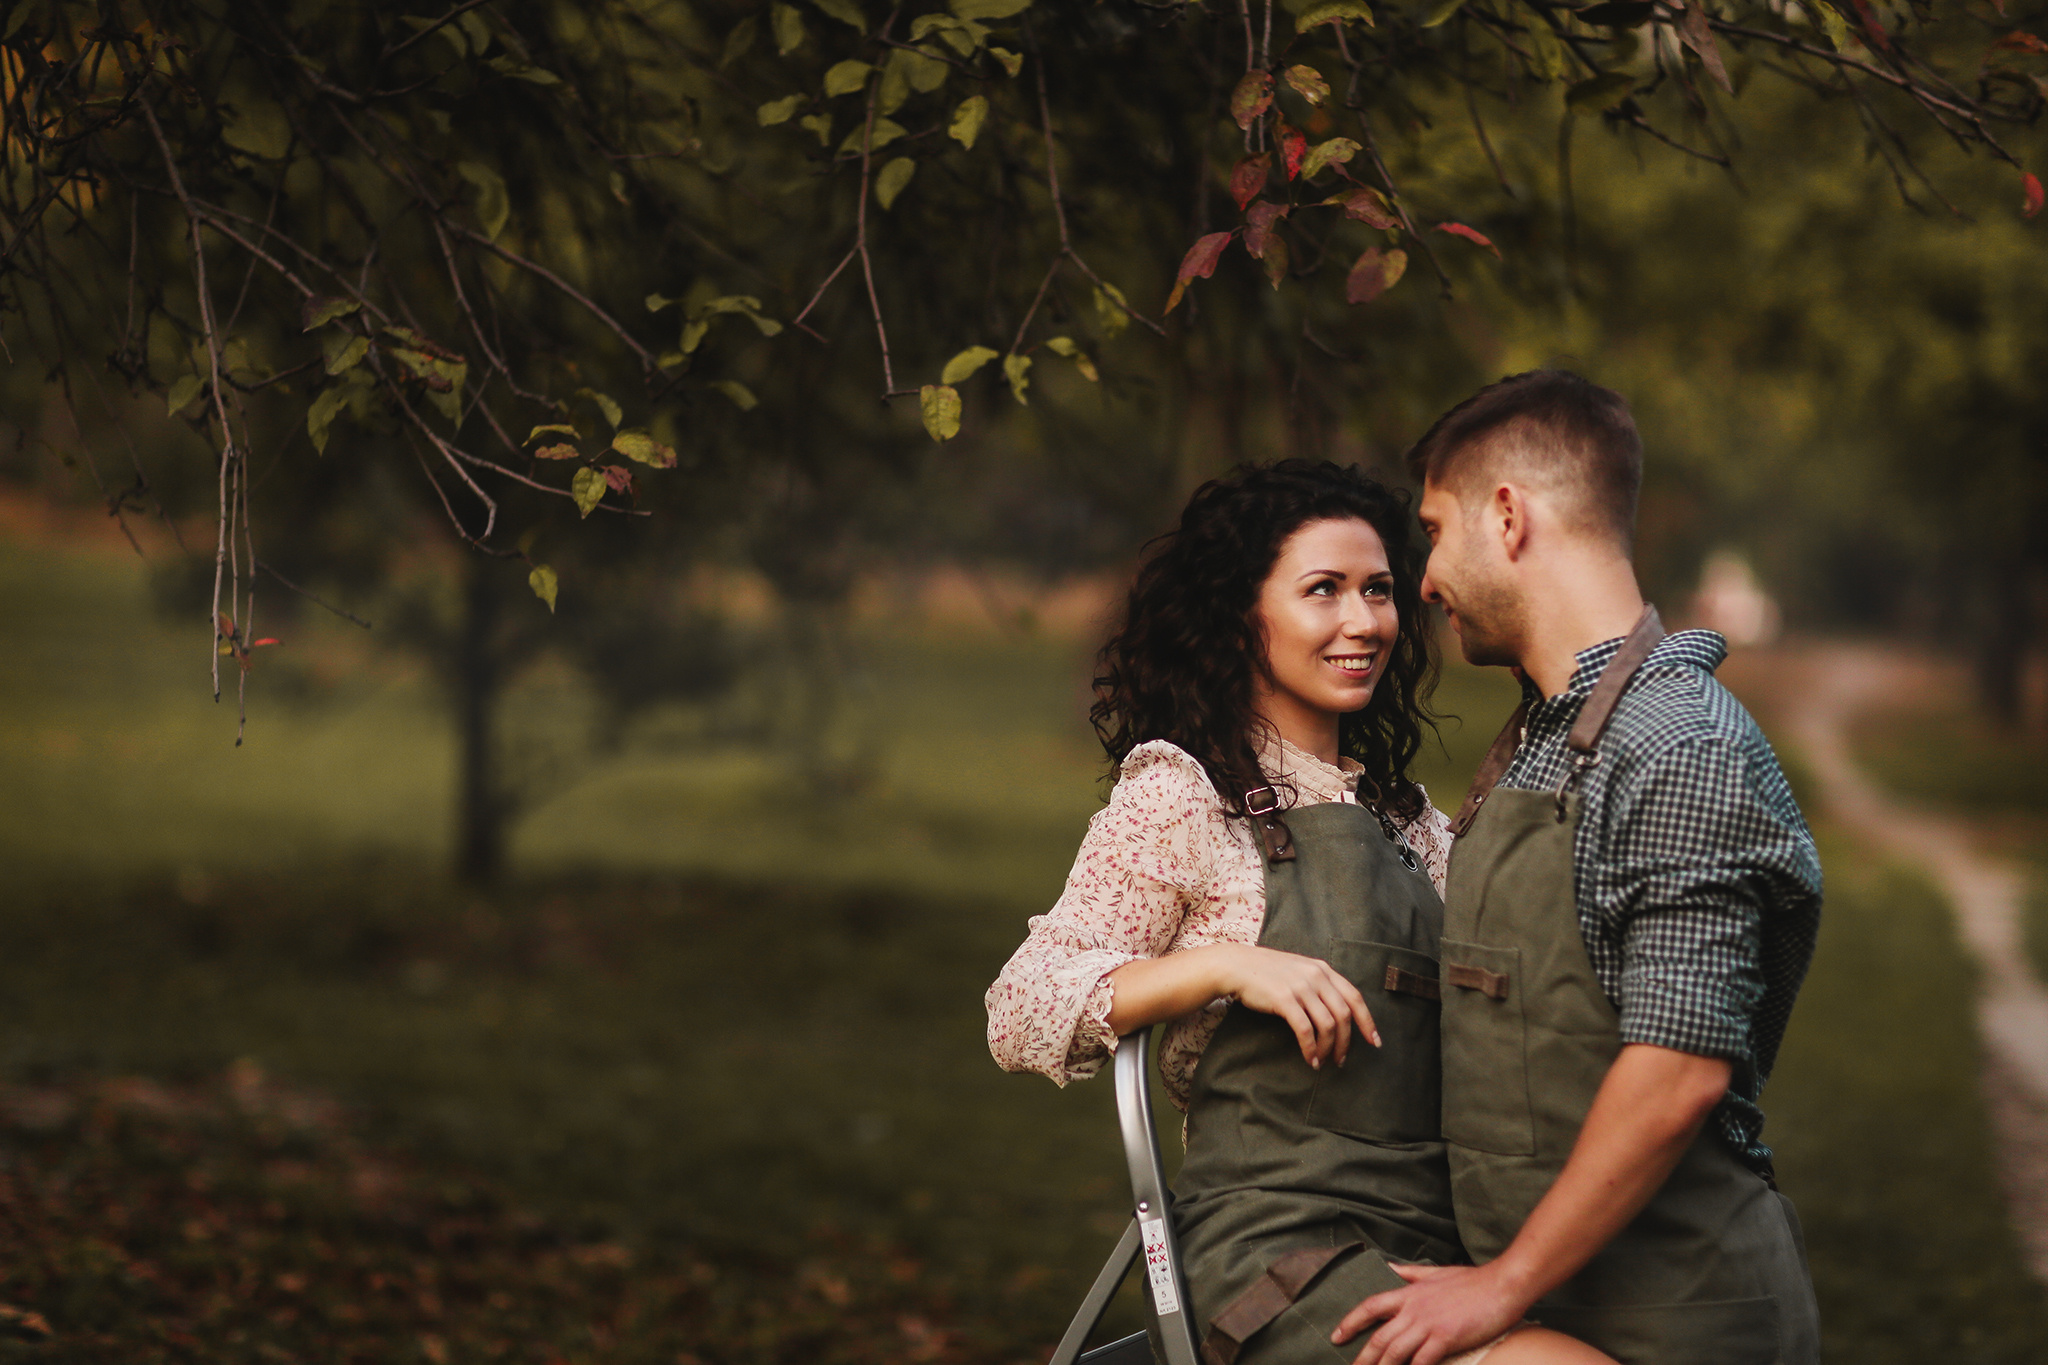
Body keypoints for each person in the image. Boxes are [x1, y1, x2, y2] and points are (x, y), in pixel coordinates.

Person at [987, 461, 1610, 1365]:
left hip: (1442, 1247)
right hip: (1275, 1258)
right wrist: (1227, 966)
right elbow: (1021, 1007)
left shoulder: (1417, 828)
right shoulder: (1184, 799)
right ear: (1243, 615)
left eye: (1380, 591)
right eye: (1324, 590)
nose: (1363, 621)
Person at [1333, 372, 1822, 1365]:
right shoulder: (1543, 740)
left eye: (1433, 530)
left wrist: (1500, 1287)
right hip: (1549, 1313)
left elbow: (1677, 1067)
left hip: (1673, 1324)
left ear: (1506, 516)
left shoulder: (1676, 743)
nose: (1420, 580)